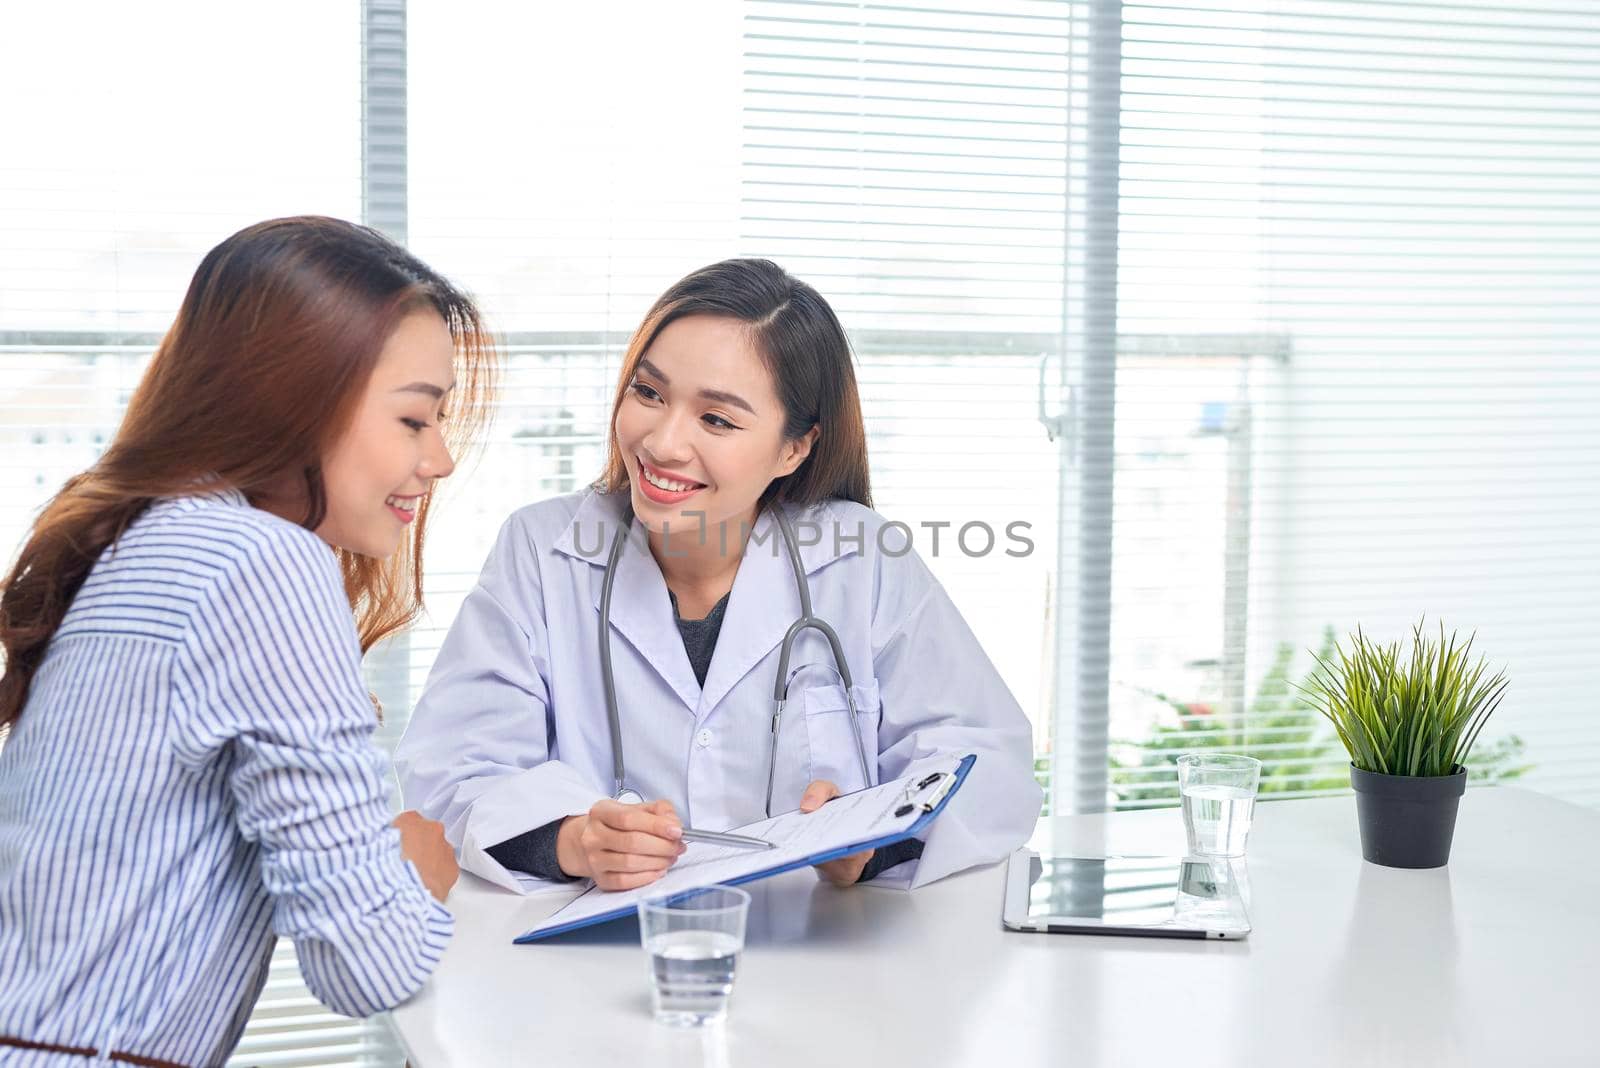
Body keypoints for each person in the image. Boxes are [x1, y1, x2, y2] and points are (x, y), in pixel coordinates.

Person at [0, 216, 494, 1067]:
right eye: (415, 420)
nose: (440, 459)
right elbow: (363, 966)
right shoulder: (260, 561)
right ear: (295, 400)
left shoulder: (148, 535)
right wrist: (418, 869)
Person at [397, 258, 1040, 895]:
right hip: (602, 966)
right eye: (648, 393)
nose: (663, 442)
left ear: (794, 448)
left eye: (717, 419)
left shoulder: (861, 557)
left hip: (831, 967)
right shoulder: (542, 549)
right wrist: (574, 839)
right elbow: (453, 770)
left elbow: (989, 768)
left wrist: (872, 841)